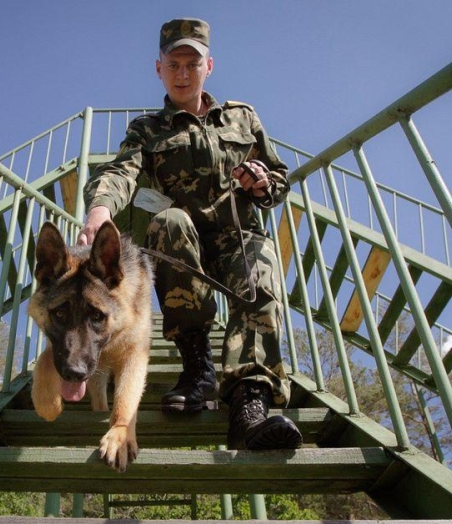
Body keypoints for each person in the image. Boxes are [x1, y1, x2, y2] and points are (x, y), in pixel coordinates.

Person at [78, 18, 301, 450]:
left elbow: (278, 178)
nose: (183, 74)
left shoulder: (242, 117)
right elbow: (121, 171)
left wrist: (262, 183)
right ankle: (198, 366)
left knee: (260, 262)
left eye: (192, 64)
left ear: (208, 66)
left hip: (237, 236)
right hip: (183, 243)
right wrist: (100, 209)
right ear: (158, 69)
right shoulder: (148, 129)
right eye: (173, 64)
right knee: (169, 222)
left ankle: (250, 403)